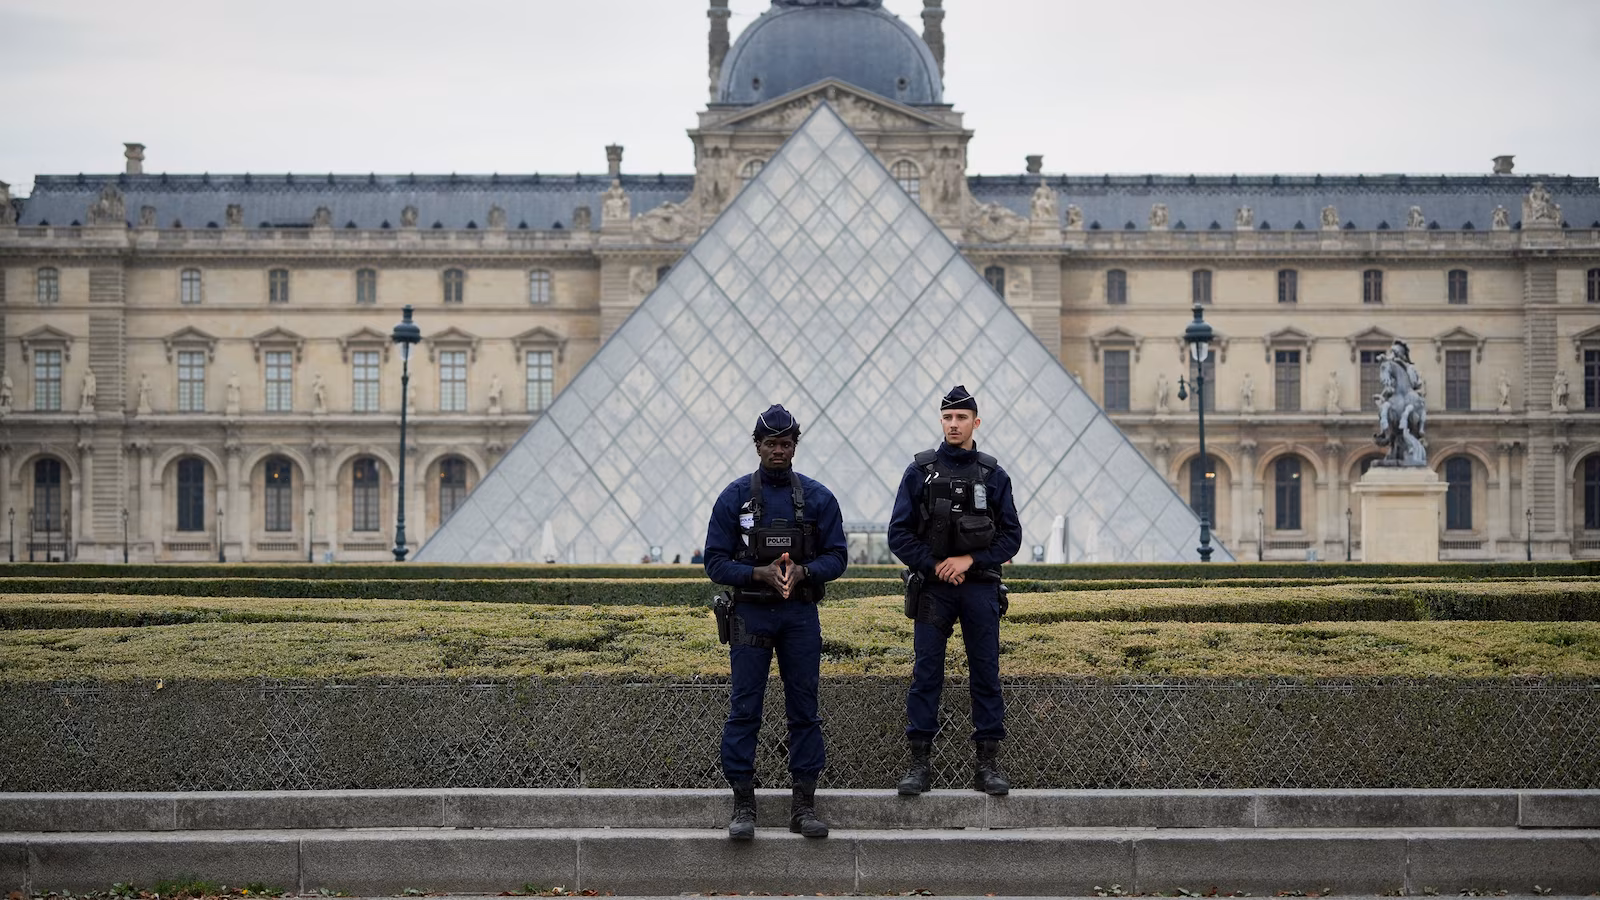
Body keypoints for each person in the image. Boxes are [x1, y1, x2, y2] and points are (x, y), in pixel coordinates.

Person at [704, 404, 848, 841]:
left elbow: (838, 556)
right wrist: (757, 573)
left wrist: (804, 571)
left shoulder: (820, 498)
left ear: (794, 446)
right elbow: (714, 562)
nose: (779, 452)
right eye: (771, 444)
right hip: (749, 612)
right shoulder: (734, 498)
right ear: (758, 446)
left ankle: (803, 805)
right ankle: (743, 804)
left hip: (799, 614)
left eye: (786, 444)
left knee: (804, 709)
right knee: (745, 708)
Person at [888, 385, 1022, 796]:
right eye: (947, 417)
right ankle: (919, 765)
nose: (953, 424)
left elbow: (1011, 538)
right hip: (933, 590)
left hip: (979, 588)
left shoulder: (994, 475)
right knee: (926, 674)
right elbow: (899, 535)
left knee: (987, 674)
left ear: (975, 422)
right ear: (940, 421)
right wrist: (935, 566)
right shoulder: (919, 472)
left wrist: (969, 562)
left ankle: (987, 766)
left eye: (961, 418)